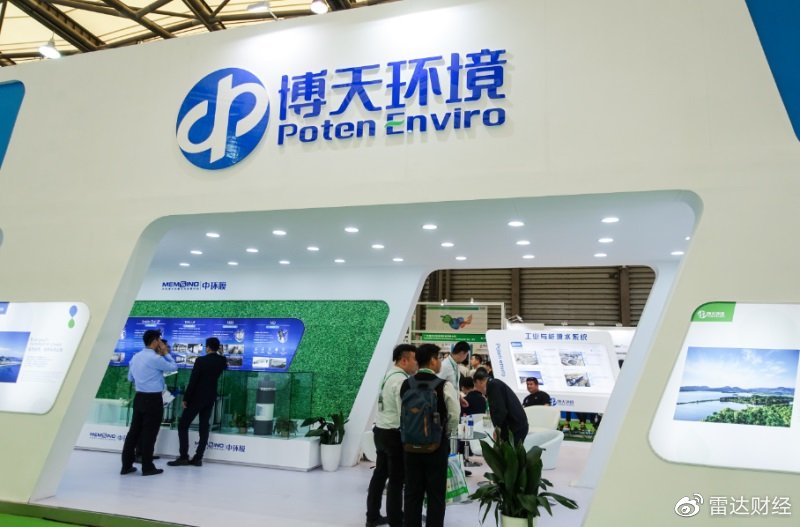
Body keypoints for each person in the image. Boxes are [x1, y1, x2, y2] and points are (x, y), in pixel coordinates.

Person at [401, 344, 459, 527]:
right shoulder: (444, 385)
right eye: (439, 358)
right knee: (436, 495)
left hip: (410, 446)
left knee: (412, 494)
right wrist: (446, 434)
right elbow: (454, 415)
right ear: (433, 360)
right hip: (436, 447)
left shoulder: (406, 384)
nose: (440, 362)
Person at [365, 344, 418, 527]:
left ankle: (372, 516)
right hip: (394, 434)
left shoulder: (388, 375)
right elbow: (404, 411)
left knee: (379, 475)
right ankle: (396, 521)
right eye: (414, 359)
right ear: (404, 360)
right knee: (396, 480)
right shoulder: (402, 381)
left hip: (380, 431)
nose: (416, 363)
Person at [121, 329, 177, 476]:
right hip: (153, 400)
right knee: (149, 434)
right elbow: (173, 367)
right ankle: (147, 467)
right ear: (155, 341)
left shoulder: (135, 357)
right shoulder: (155, 358)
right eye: (160, 340)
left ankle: (126, 466)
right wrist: (166, 353)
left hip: (139, 398)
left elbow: (130, 378)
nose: (161, 343)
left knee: (133, 433)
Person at [167, 337, 227, 467]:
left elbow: (193, 381)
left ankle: (183, 456)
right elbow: (224, 363)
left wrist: (186, 398)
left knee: (183, 425)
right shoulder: (222, 361)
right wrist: (221, 353)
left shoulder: (201, 360)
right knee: (204, 426)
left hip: (196, 397)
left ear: (208, 347)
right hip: (210, 397)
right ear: (217, 348)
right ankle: (198, 458)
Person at [472, 369, 528, 445]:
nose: (477, 389)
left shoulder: (493, 385)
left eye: (476, 386)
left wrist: (497, 428)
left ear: (479, 382)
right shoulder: (494, 383)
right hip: (516, 425)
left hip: (515, 427)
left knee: (510, 451)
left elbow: (499, 410)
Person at [438, 340, 470, 409]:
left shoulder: (455, 365)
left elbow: (454, 386)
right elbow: (438, 386)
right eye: (466, 355)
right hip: (445, 406)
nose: (465, 358)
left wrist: (459, 398)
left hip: (453, 404)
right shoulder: (444, 366)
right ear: (462, 353)